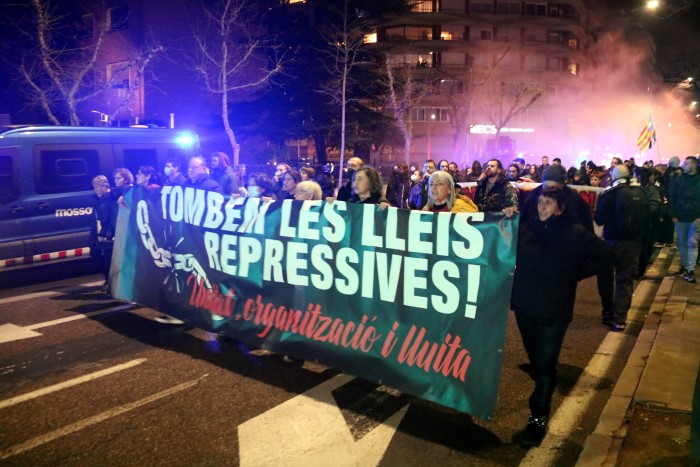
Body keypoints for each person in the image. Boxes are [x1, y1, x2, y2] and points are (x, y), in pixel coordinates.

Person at [511, 188, 612, 447]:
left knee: (545, 365)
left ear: (560, 207)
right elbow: (492, 241)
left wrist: (573, 274)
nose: (542, 207)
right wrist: (506, 218)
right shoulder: (524, 230)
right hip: (524, 308)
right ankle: (544, 386)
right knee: (536, 362)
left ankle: (538, 420)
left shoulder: (575, 234)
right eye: (539, 203)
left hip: (554, 311)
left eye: (548, 203)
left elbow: (607, 257)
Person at [594, 165, 650, 331]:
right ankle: (620, 319)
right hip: (632, 244)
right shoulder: (641, 193)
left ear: (614, 176)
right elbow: (647, 221)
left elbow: (599, 219)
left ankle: (608, 312)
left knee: (605, 277)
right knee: (624, 281)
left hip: (611, 242)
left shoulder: (610, 193)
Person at [668, 156, 699, 283]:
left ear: (693, 165)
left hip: (695, 219)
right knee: (682, 244)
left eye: (686, 164)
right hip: (680, 217)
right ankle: (685, 267)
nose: (683, 166)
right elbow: (672, 197)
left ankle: (690, 270)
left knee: (693, 243)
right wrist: (672, 215)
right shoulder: (678, 180)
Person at [91, 175, 118, 292]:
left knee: (108, 259)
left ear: (105, 186)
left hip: (109, 233)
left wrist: (108, 234)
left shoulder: (113, 199)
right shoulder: (98, 199)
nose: (95, 189)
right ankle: (109, 281)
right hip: (100, 233)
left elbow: (113, 218)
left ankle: (110, 283)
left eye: (97, 187)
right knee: (98, 256)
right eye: (94, 187)